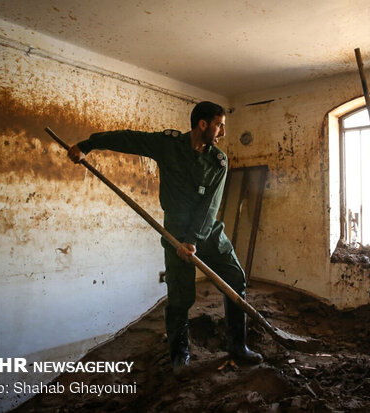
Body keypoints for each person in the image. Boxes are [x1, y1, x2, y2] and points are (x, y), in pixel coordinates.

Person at [67, 101, 263, 374]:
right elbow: (129, 138)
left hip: (207, 233)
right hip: (174, 234)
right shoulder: (167, 144)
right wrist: (88, 145)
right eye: (219, 125)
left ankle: (237, 347)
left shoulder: (218, 161)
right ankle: (179, 356)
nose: (223, 133)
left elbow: (211, 205)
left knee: (235, 281)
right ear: (203, 124)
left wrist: (194, 239)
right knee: (181, 297)